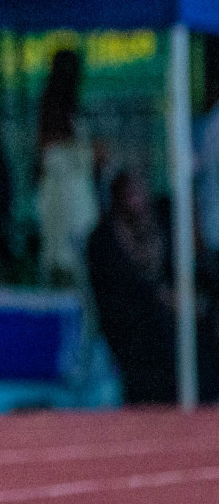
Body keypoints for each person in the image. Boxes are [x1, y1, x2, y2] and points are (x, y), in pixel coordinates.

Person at [86, 171, 179, 403]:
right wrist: (159, 298)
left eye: (138, 193)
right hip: (127, 320)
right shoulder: (104, 238)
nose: (134, 201)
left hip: (163, 311)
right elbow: (114, 291)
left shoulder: (160, 228)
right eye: (128, 195)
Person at [34, 49, 100, 287]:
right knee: (64, 264)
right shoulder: (53, 116)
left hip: (75, 204)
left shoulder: (70, 113)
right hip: (64, 202)